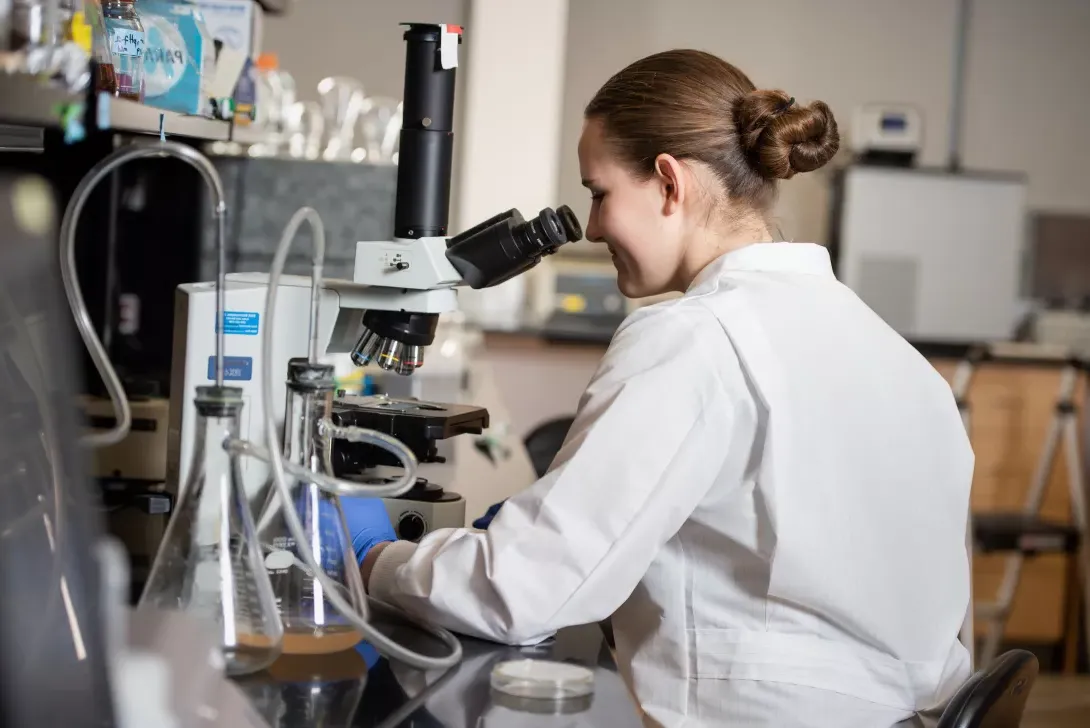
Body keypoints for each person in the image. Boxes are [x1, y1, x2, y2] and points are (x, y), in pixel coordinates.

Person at [345, 49, 974, 728]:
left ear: (669, 184)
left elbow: (526, 591)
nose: (589, 228)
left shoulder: (693, 338)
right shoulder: (897, 356)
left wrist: (375, 559)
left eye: (599, 193)